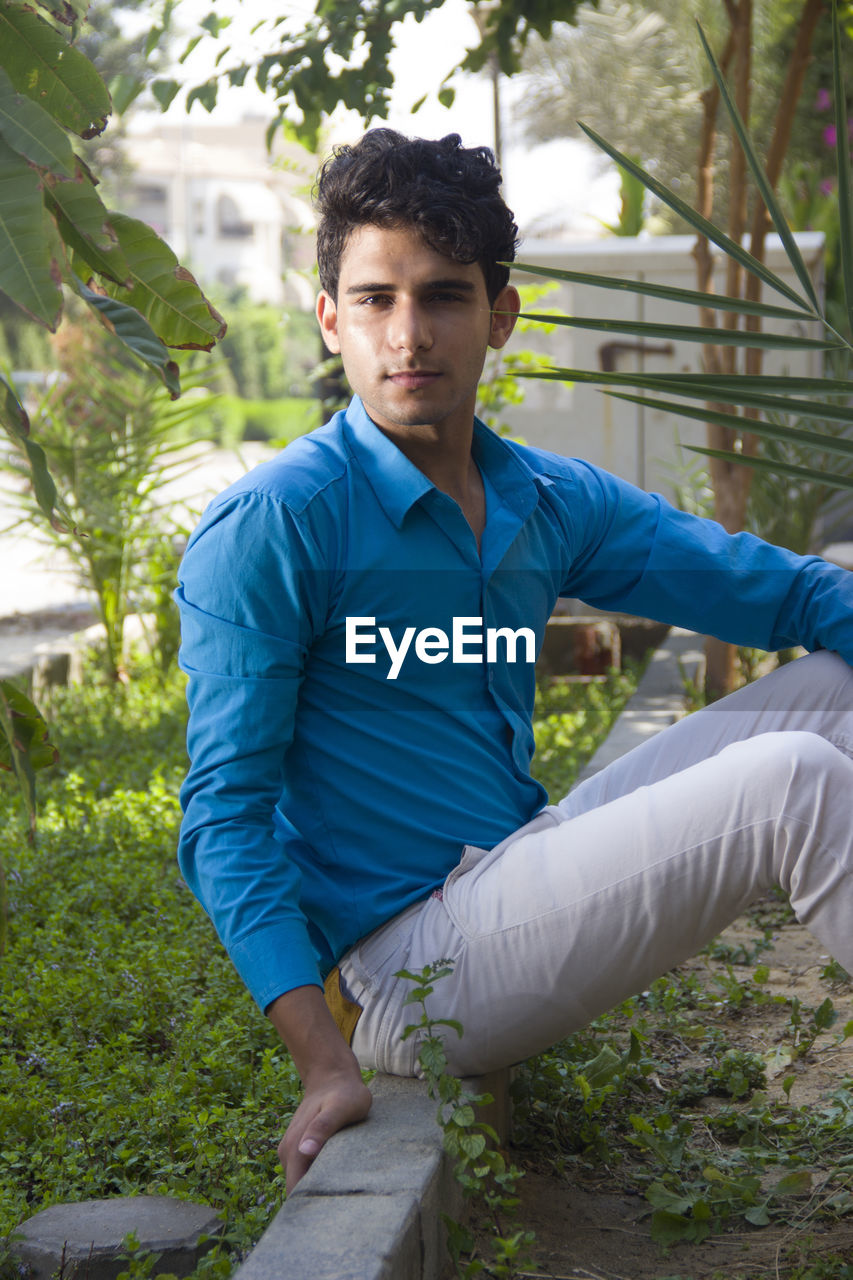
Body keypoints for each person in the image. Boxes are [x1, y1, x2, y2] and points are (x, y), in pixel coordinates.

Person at [176, 129, 853, 1193]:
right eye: (375, 300)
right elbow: (223, 818)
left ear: (498, 316)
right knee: (795, 783)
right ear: (329, 319)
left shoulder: (543, 498)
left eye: (443, 296)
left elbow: (785, 592)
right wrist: (323, 1062)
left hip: (510, 868)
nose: (410, 335)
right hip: (405, 968)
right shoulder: (276, 524)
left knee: (835, 693)